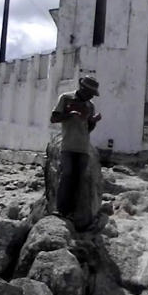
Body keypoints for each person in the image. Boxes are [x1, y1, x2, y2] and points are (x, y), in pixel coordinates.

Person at [50, 76, 102, 218]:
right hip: (68, 145)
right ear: (83, 89)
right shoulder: (66, 98)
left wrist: (93, 121)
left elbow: (88, 129)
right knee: (66, 175)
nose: (91, 96)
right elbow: (54, 118)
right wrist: (69, 115)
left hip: (83, 148)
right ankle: (61, 209)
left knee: (79, 180)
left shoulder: (90, 106)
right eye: (90, 93)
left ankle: (73, 212)